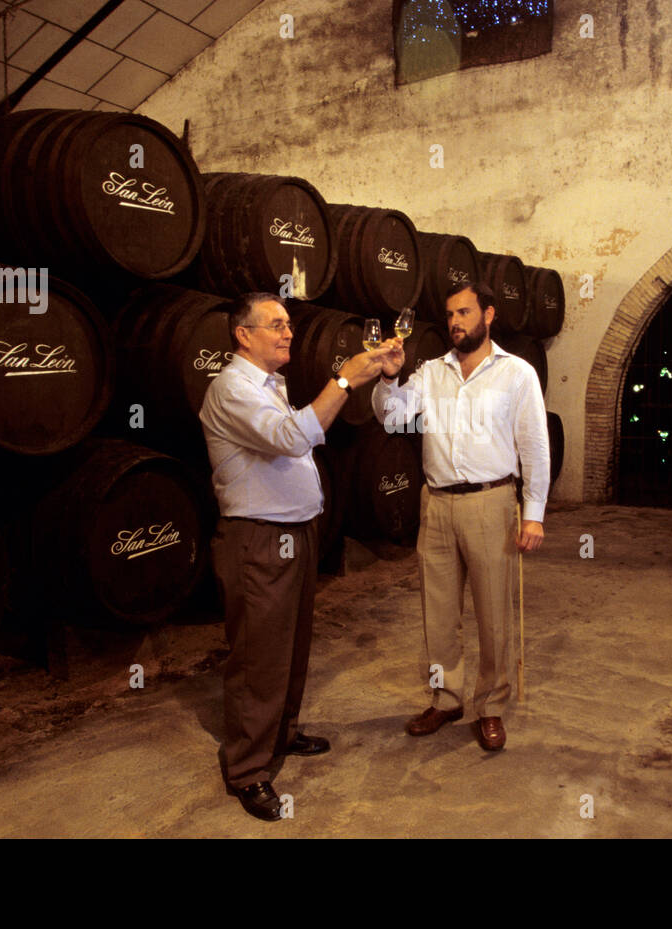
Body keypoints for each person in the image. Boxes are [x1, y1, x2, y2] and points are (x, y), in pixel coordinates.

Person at [199, 293, 386, 821]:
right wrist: (345, 379)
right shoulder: (233, 388)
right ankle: (248, 769)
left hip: (293, 533)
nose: (288, 333)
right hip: (257, 538)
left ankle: (281, 733)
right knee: (259, 655)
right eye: (275, 325)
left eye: (288, 325)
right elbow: (292, 437)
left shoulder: (270, 385)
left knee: (291, 643)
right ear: (243, 335)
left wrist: (372, 374)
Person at [372, 281, 549, 751]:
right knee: (439, 612)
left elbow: (534, 446)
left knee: (493, 613)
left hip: (491, 502)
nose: (456, 322)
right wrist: (389, 377)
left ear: (488, 315)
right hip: (436, 504)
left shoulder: (517, 374)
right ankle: (446, 697)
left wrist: (533, 513)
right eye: (450, 314)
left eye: (465, 312)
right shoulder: (431, 372)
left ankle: (490, 707)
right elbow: (393, 419)